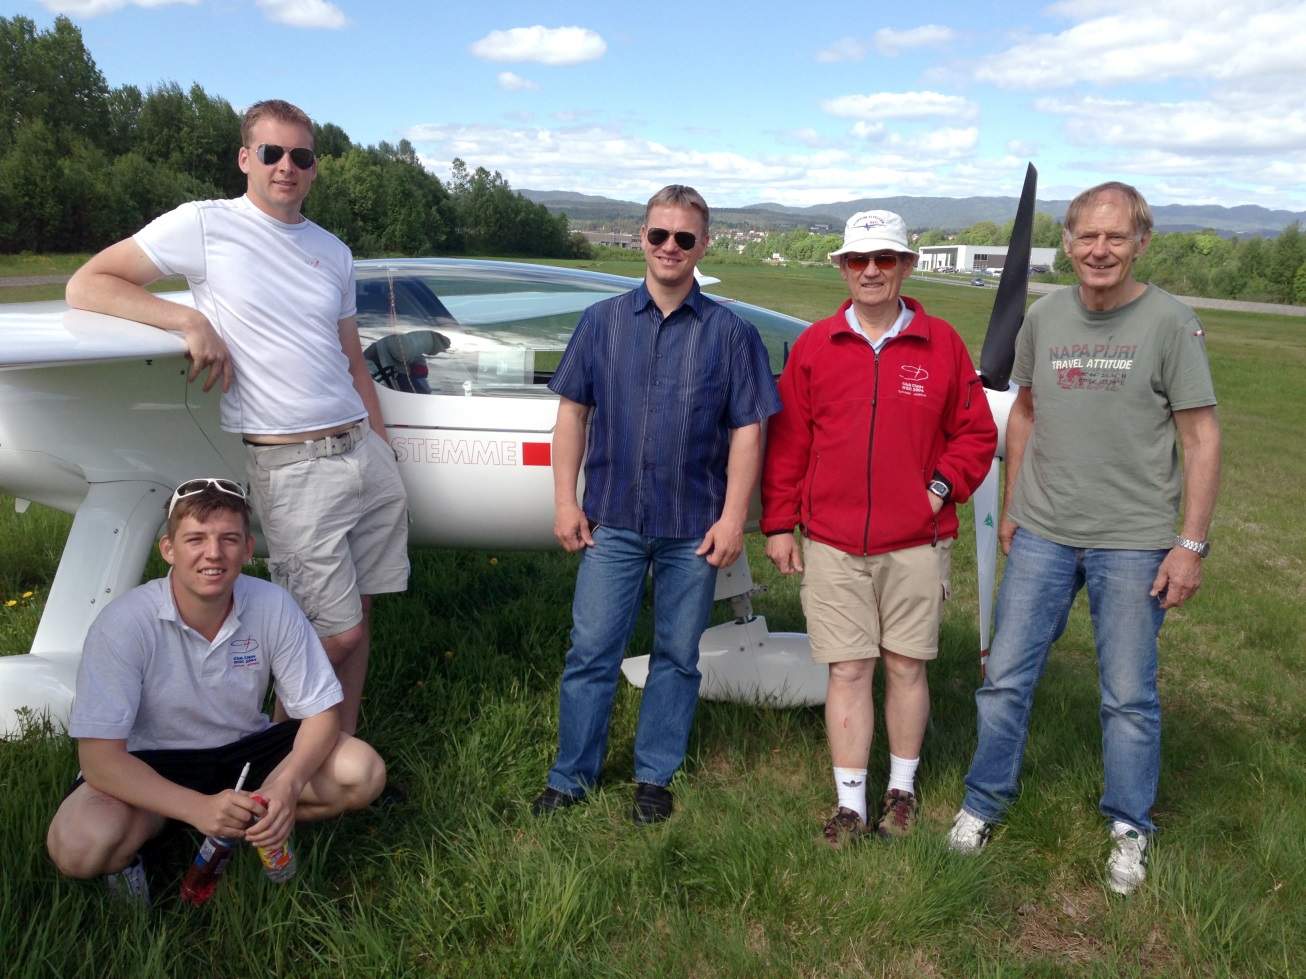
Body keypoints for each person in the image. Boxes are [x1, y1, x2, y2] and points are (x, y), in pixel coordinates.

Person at [66, 99, 408, 736]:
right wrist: (188, 320)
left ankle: (339, 753)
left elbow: (351, 359)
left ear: (314, 168)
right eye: (272, 153)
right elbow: (89, 283)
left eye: (301, 156)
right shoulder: (204, 224)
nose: (287, 167)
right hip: (293, 464)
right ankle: (278, 761)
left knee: (358, 618)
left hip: (362, 450)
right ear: (246, 158)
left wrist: (382, 447)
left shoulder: (333, 251)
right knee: (330, 634)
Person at [948, 182, 1221, 895]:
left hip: (1133, 540)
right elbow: (1025, 412)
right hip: (1042, 532)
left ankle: (1129, 824)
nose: (1100, 250)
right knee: (1004, 679)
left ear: (1141, 243)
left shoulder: (1171, 322)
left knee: (1128, 694)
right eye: (1087, 237)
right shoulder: (1044, 316)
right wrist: (1013, 505)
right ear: (1067, 244)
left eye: (1116, 237)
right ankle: (983, 801)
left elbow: (1201, 436)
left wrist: (1190, 544)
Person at [531, 185, 782, 825]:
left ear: (704, 245)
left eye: (684, 237)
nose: (670, 247)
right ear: (642, 238)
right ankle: (572, 776)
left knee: (677, 654)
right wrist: (565, 502)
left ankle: (654, 776)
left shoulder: (732, 333)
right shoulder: (601, 322)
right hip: (611, 520)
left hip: (693, 525)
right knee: (591, 651)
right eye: (659, 234)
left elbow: (749, 431)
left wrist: (733, 519)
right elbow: (572, 415)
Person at [760, 210, 997, 847]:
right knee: (847, 670)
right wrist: (779, 524)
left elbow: (976, 431)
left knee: (907, 667)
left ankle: (901, 791)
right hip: (832, 542)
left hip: (917, 541)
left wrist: (938, 488)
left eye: (884, 259)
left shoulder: (942, 343)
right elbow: (789, 444)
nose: (871, 271)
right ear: (842, 268)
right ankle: (850, 804)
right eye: (858, 260)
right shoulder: (815, 346)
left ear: (906, 267)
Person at [46, 479, 386, 904]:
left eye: (229, 539)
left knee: (363, 772)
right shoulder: (124, 623)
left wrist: (287, 785)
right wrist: (196, 807)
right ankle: (162, 831)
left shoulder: (272, 604)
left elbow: (321, 714)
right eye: (195, 539)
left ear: (247, 548)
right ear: (168, 549)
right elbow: (99, 760)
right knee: (78, 847)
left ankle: (254, 820)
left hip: (244, 754)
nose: (213, 553)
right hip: (152, 762)